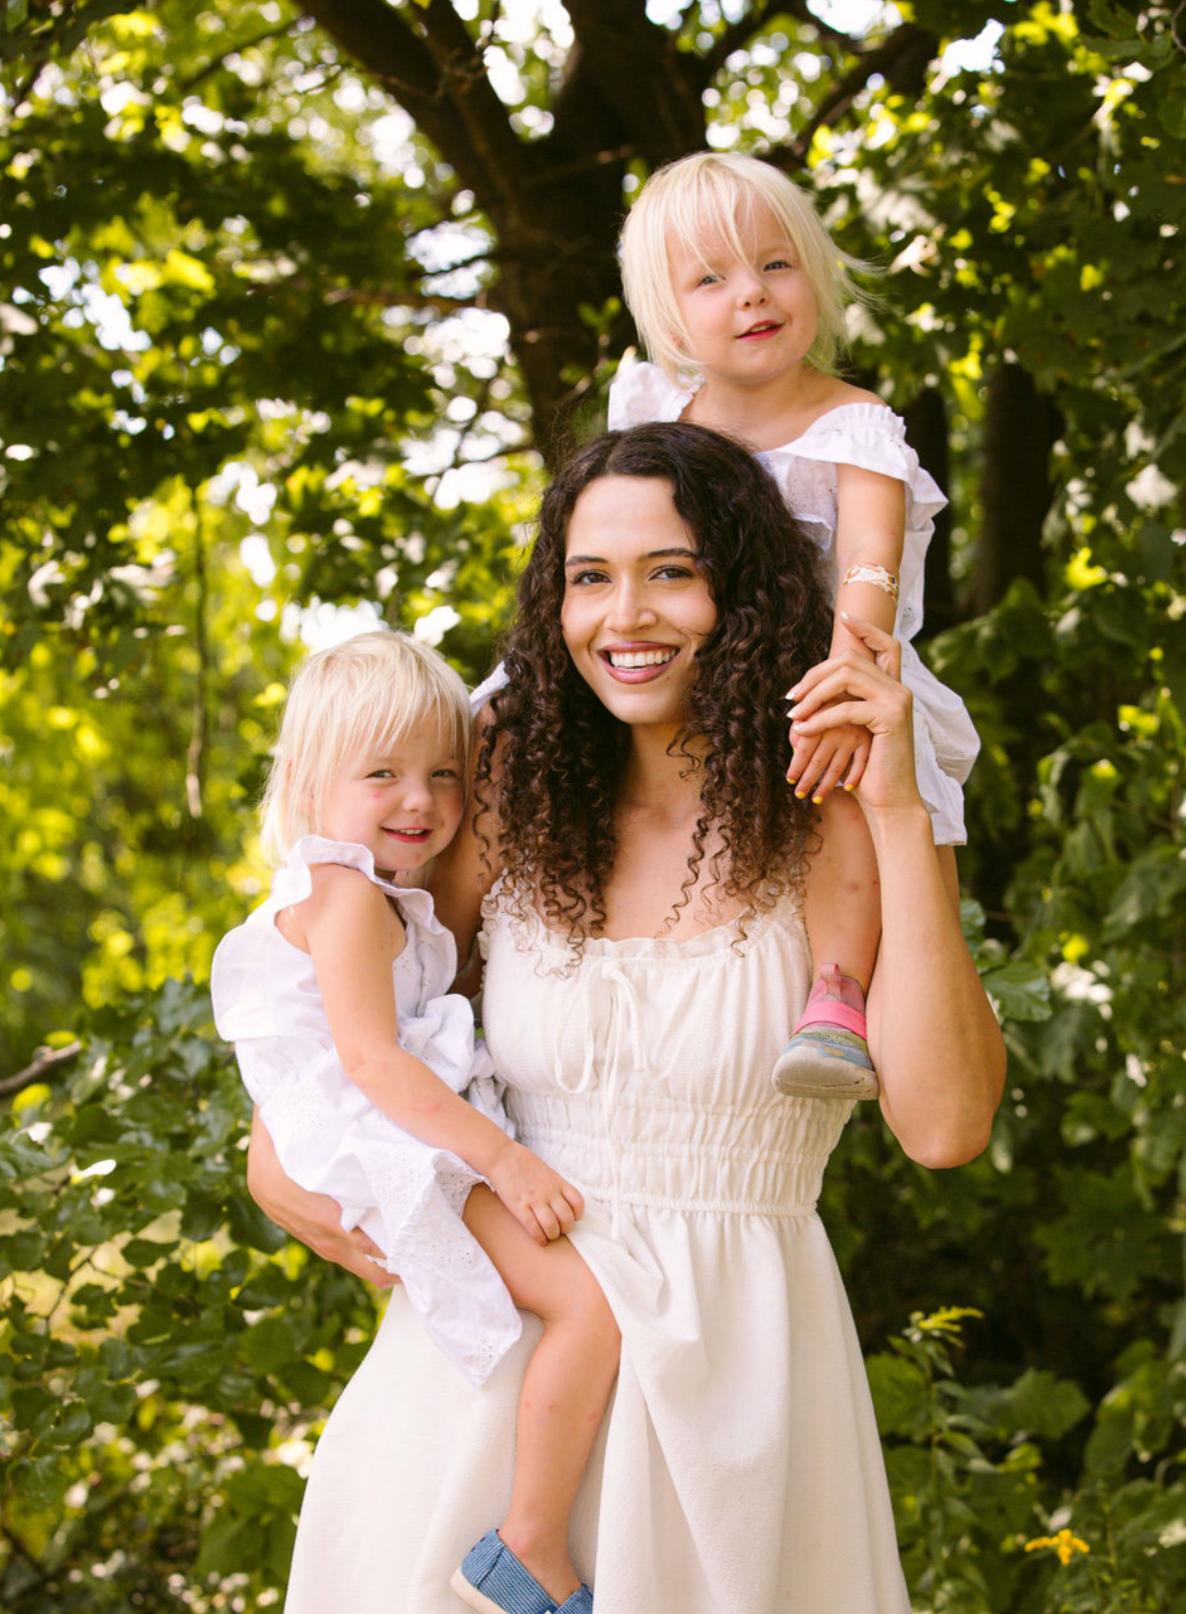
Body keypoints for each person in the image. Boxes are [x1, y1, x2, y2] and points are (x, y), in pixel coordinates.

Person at [248, 423, 1006, 1614]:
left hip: (742, 1381)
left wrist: (904, 809)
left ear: (742, 593)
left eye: (671, 571)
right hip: (488, 1395)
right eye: (590, 578)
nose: (625, 615)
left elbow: (948, 1126)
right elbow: (366, 1017)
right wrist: (270, 1140)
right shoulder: (502, 784)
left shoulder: (847, 809)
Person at [211, 631, 617, 1613]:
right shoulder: (347, 898)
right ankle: (528, 1545)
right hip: (392, 1149)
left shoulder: (365, 893)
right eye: (381, 773)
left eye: (443, 775)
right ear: (307, 784)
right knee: (589, 1312)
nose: (419, 802)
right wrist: (507, 1163)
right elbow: (372, 1062)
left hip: (399, 1137)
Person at [604, 148, 982, 1100]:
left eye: (776, 264)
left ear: (815, 268)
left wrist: (846, 682)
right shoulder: (657, 406)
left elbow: (868, 570)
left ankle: (837, 998)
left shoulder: (856, 427)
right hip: (679, 658)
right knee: (507, 721)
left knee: (843, 772)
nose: (753, 295)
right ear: (667, 309)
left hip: (815, 661)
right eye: (711, 278)